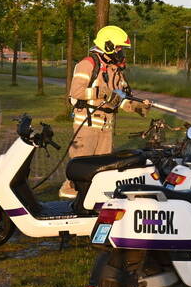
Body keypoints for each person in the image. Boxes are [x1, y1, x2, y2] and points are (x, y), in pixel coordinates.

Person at [59, 25, 151, 198]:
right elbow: (76, 92)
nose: (120, 52)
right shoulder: (88, 64)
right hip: (87, 126)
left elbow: (120, 99)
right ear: (107, 45)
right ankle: (70, 201)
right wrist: (101, 92)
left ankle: (93, 205)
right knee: (80, 170)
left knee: (102, 171)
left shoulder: (114, 70)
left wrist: (137, 107)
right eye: (118, 47)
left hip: (106, 129)